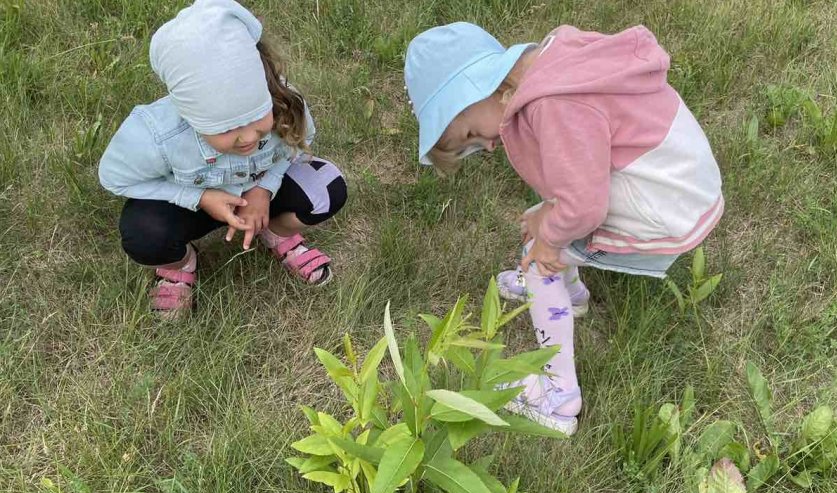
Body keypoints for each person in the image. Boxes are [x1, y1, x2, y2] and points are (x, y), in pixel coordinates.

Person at [404, 22, 723, 434]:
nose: (484, 145)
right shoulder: (556, 60)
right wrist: (551, 216)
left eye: (468, 132)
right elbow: (581, 175)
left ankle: (558, 396)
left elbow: (584, 207)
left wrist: (551, 236)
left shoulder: (551, 106)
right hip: (682, 186)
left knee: (541, 258)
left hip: (663, 208)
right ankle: (569, 295)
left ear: (481, 87)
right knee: (547, 225)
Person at [99, 0, 346, 318]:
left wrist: (264, 190)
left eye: (257, 119)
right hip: (193, 206)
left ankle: (274, 230)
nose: (247, 138)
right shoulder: (156, 132)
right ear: (188, 114)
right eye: (225, 129)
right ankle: (180, 264)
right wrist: (198, 197)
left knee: (327, 186)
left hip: (258, 193)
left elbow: (294, 147)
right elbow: (114, 177)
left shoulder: (282, 100)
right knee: (142, 234)